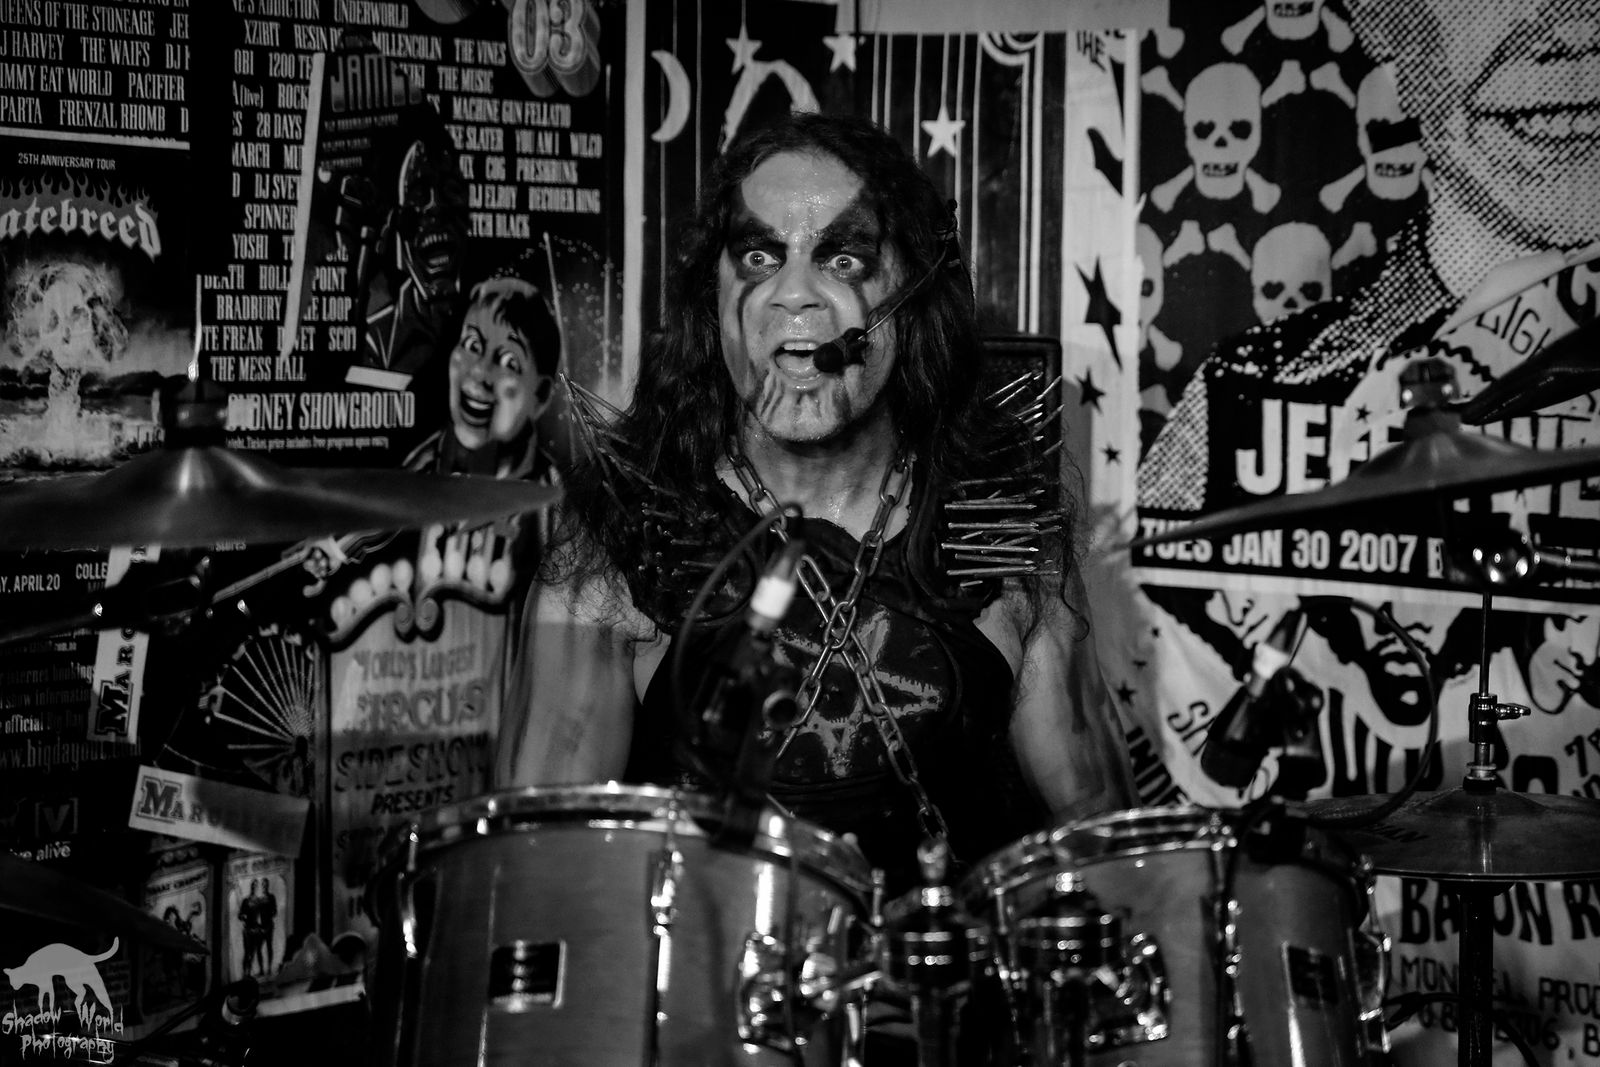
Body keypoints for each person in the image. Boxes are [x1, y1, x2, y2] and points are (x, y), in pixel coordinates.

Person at [497, 112, 1135, 895]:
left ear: (911, 291)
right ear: (713, 297)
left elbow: (1113, 862)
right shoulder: (617, 540)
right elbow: (533, 884)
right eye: (758, 256)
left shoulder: (1003, 537)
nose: (793, 293)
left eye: (843, 257)